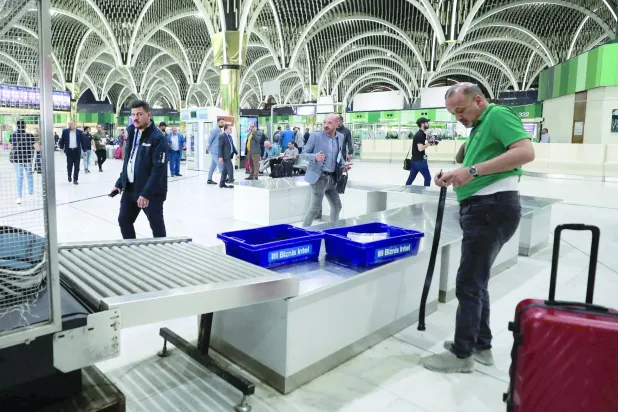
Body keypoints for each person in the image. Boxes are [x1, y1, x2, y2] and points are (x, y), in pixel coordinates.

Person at [421, 83, 535, 374]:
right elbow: (469, 162)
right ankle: (480, 345)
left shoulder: (497, 115)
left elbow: (525, 152)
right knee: (476, 280)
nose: (458, 116)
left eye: (460, 110)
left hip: (491, 209)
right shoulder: (478, 127)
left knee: (468, 284)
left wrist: (471, 171)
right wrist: (453, 174)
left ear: (479, 100)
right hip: (483, 209)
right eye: (453, 113)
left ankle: (462, 355)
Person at [111, 100, 169, 239]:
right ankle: (131, 249)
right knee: (124, 220)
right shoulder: (132, 133)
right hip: (130, 189)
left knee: (156, 225)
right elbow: (128, 162)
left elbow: (158, 170)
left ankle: (163, 252)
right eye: (133, 114)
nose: (135, 118)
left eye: (139, 114)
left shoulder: (158, 138)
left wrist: (146, 193)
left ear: (148, 115)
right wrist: (120, 183)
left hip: (151, 192)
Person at [301, 113, 349, 227]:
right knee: (315, 209)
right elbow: (303, 154)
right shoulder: (316, 136)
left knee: (337, 206)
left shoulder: (340, 137)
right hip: (319, 178)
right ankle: (302, 234)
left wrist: (344, 163)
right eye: (324, 122)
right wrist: (315, 157)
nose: (326, 125)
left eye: (329, 123)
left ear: (337, 124)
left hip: (332, 179)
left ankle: (332, 231)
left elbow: (339, 156)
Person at [10, 120, 37, 204]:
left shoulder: (13, 135)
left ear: (17, 126)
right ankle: (31, 194)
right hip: (28, 159)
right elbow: (36, 147)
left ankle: (19, 197)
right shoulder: (30, 135)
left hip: (17, 160)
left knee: (19, 177)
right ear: (25, 126)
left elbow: (11, 147)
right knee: (29, 176)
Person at [406, 117, 434, 186]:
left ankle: (405, 190)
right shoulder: (420, 135)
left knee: (411, 178)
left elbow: (421, 146)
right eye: (427, 122)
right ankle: (426, 192)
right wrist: (428, 143)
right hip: (420, 162)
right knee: (428, 178)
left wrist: (432, 143)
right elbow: (420, 148)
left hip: (414, 161)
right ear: (422, 124)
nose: (428, 124)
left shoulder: (420, 133)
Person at [59, 120, 87, 185]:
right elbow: (62, 141)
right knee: (69, 166)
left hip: (77, 151)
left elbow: (82, 142)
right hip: (69, 152)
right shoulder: (65, 131)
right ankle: (69, 175)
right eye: (69, 124)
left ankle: (75, 179)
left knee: (77, 166)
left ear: (74, 124)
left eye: (71, 124)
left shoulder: (80, 132)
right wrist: (61, 147)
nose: (69, 125)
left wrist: (85, 150)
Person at [207, 118, 226, 184]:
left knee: (213, 166)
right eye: (221, 122)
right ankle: (224, 179)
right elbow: (210, 140)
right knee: (220, 164)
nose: (223, 124)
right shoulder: (215, 130)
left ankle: (209, 179)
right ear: (218, 123)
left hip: (218, 151)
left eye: (223, 123)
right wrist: (208, 147)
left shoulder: (220, 131)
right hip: (214, 151)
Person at [218, 124, 237, 189]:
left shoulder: (230, 137)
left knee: (225, 170)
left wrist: (236, 153)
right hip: (225, 156)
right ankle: (231, 182)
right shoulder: (222, 136)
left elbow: (232, 146)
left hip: (229, 155)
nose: (231, 130)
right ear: (226, 129)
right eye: (230, 129)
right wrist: (220, 156)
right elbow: (220, 147)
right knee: (230, 169)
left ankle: (222, 183)